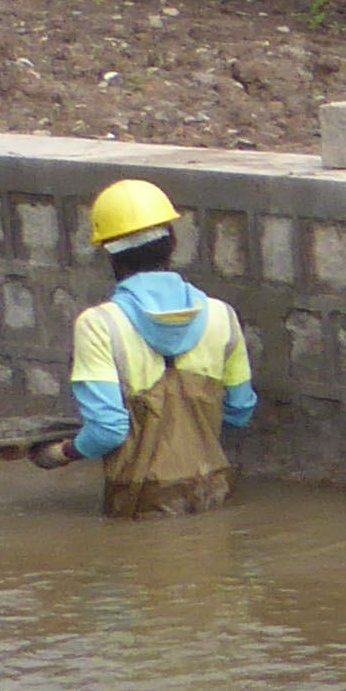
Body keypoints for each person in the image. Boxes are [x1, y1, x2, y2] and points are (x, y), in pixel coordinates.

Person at [64, 178, 258, 518]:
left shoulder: (98, 325)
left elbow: (108, 431)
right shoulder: (221, 315)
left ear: (108, 254)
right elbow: (239, 412)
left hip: (140, 502)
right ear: (172, 244)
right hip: (212, 491)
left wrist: (65, 451)